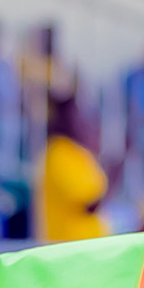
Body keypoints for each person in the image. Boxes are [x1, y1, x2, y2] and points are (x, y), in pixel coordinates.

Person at [35, 95, 108, 243]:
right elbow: (90, 203)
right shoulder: (60, 152)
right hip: (72, 247)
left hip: (82, 247)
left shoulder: (76, 152)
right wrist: (117, 169)